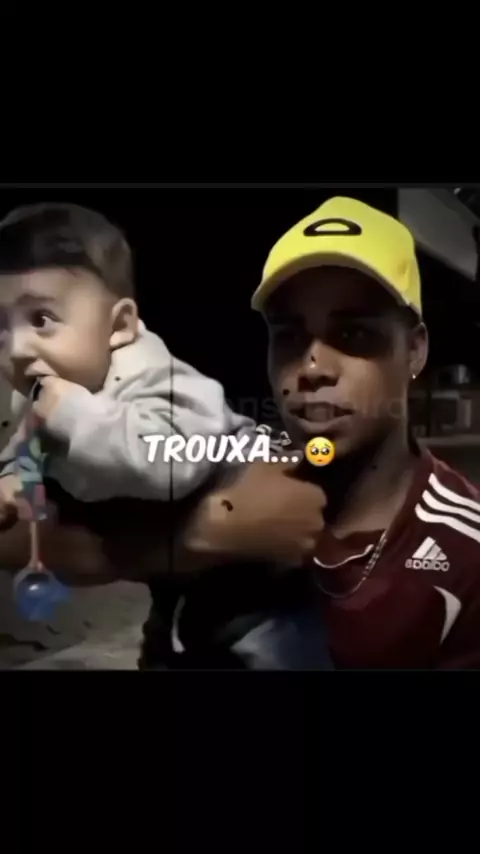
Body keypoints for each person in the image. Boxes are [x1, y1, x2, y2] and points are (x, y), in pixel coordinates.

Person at [144, 196, 480, 669]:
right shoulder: (223, 474)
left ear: (414, 351)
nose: (314, 367)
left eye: (352, 334)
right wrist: (196, 539)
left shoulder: (466, 552)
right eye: (290, 336)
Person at [0, 201, 255, 511]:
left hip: (250, 497)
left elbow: (174, 465)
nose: (16, 349)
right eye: (1, 327)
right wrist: (13, 478)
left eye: (41, 319)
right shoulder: (41, 391)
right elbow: (27, 449)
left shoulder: (150, 374)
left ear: (119, 325)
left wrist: (72, 415)